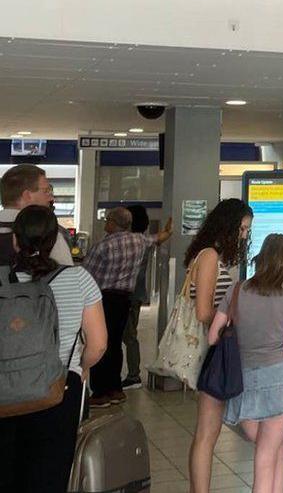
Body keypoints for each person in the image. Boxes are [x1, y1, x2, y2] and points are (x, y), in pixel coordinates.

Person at [0, 205, 107, 492]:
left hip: (4, 389)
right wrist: (82, 367)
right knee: (49, 475)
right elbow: (97, 344)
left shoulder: (1, 280)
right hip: (58, 389)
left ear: (14, 240)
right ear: (54, 241)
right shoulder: (79, 279)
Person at [209, 233, 283, 493]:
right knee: (266, 453)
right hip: (278, 382)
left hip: (242, 382)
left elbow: (212, 336)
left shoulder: (237, 290)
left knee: (275, 446)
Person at [186, 198, 253, 493]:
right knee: (207, 433)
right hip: (209, 350)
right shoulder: (210, 256)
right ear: (227, 226)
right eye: (241, 228)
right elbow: (203, 311)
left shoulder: (215, 256)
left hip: (213, 348)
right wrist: (229, 321)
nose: (244, 236)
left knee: (208, 432)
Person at [82, 206, 172, 407]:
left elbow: (86, 275)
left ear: (114, 223)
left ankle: (100, 392)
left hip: (102, 299)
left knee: (100, 343)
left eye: (107, 219)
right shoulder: (138, 240)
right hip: (125, 299)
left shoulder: (102, 247)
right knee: (114, 343)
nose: (105, 222)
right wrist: (169, 228)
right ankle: (115, 389)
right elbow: (159, 238)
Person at [0, 164, 73, 266]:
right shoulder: (50, 234)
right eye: (46, 191)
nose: (51, 198)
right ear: (27, 195)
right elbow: (66, 278)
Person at [122, 205, 151, 391]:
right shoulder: (143, 241)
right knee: (129, 335)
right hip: (136, 295)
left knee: (129, 335)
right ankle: (133, 375)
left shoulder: (135, 242)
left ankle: (134, 376)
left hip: (129, 296)